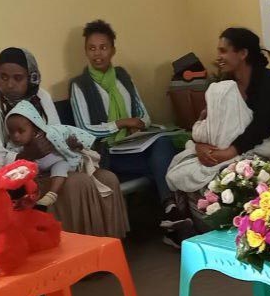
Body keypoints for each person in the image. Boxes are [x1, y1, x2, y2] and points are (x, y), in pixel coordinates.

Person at [0, 47, 128, 238]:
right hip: (19, 178)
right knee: (78, 183)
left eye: (17, 78)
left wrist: (70, 143)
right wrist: (27, 155)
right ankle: (79, 251)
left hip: (53, 164)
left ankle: (109, 245)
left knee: (108, 179)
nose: (10, 84)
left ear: (31, 78)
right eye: (3, 77)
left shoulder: (42, 97)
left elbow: (56, 132)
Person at [69, 20, 189, 240]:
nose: (98, 54)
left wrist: (139, 125)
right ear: (85, 51)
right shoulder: (80, 85)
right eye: (92, 48)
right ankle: (172, 213)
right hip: (107, 153)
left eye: (103, 47)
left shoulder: (122, 77)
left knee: (163, 144)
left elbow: (143, 114)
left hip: (134, 146)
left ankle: (171, 216)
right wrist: (122, 123)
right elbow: (83, 129)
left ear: (113, 50)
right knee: (163, 160)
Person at [166, 28, 270, 230]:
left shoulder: (268, 81)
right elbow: (210, 122)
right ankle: (188, 225)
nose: (218, 57)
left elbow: (261, 127)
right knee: (183, 168)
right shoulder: (224, 84)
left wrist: (228, 153)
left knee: (228, 178)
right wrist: (202, 148)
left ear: (243, 53)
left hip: (264, 144)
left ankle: (236, 231)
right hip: (223, 146)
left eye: (224, 51)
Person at [6, 100, 104, 207]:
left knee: (61, 166)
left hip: (57, 163)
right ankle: (30, 198)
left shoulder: (50, 134)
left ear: (34, 128)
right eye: (11, 131)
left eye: (21, 131)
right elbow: (12, 164)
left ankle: (52, 194)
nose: (15, 136)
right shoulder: (14, 146)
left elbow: (73, 136)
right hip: (40, 173)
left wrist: (76, 144)